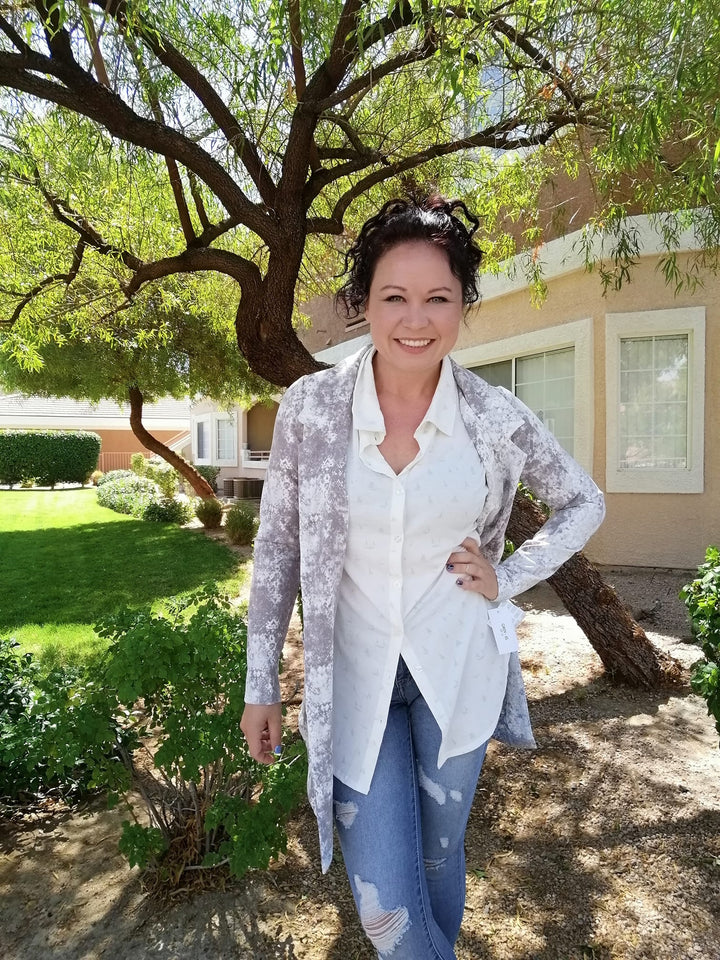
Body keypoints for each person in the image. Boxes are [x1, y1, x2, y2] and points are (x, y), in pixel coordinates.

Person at [241, 194, 605, 959]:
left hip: (458, 671)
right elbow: (276, 551)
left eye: (438, 297)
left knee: (438, 866)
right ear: (362, 303)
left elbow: (584, 501)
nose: (416, 319)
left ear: (463, 304)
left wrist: (509, 574)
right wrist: (260, 683)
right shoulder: (311, 409)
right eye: (393, 297)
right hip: (355, 679)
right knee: (386, 912)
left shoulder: (492, 416)